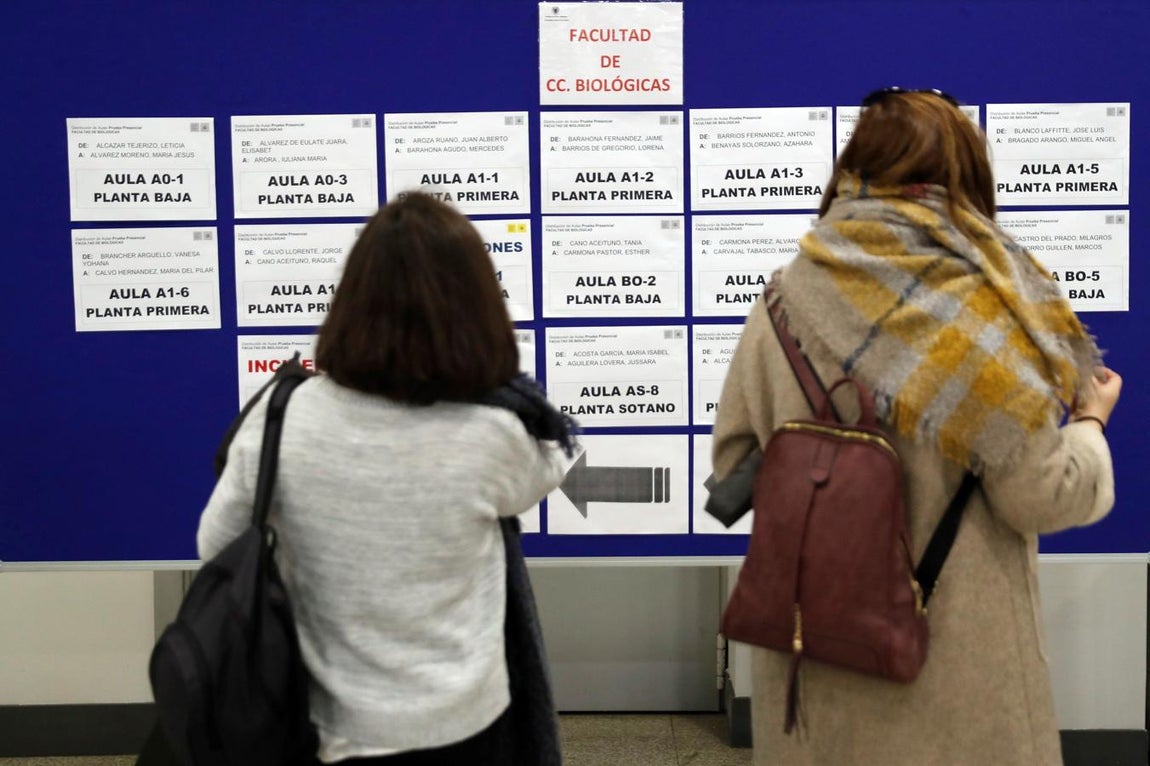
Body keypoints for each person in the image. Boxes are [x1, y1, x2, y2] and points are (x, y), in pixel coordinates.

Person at [712, 88, 1121, 765]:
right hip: (949, 672)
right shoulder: (981, 310)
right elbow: (1040, 496)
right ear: (966, 174)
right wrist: (1089, 424)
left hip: (810, 658)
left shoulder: (783, 297)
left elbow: (733, 464)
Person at [197, 192, 573, 765]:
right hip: (464, 719)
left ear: (350, 301)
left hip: (325, 720)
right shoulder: (493, 433)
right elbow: (554, 459)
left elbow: (216, 546)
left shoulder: (282, 415)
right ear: (476, 307)